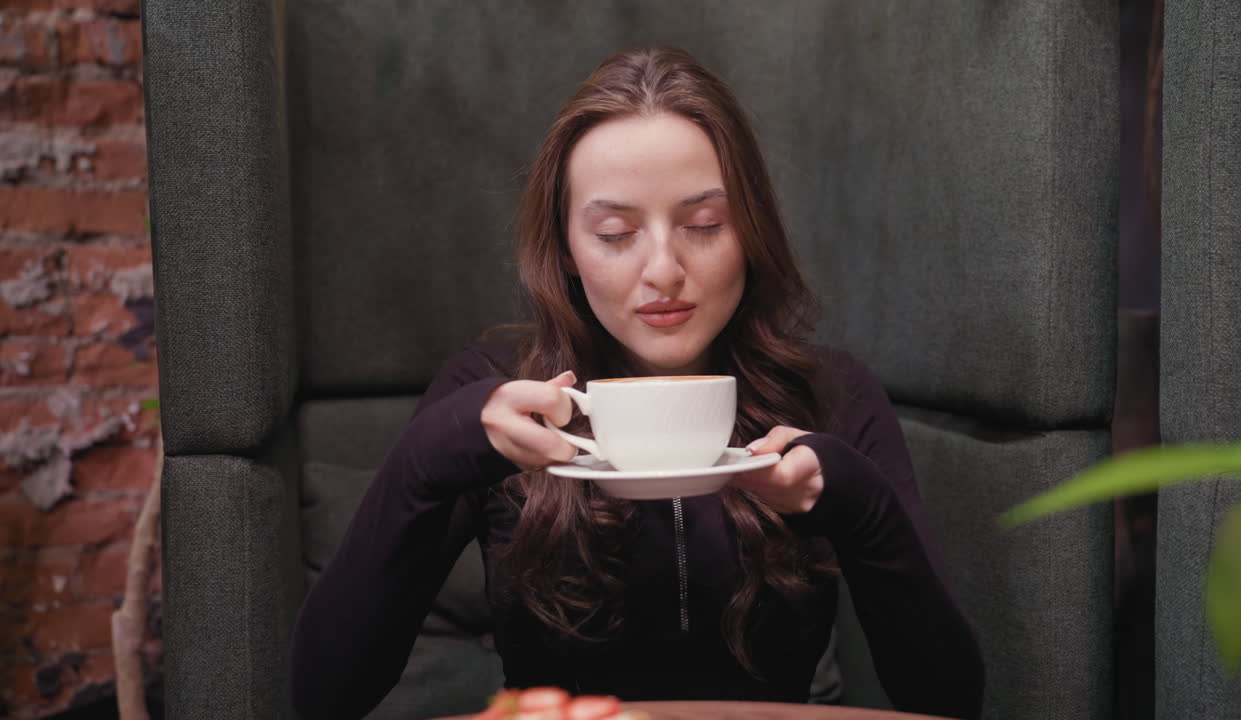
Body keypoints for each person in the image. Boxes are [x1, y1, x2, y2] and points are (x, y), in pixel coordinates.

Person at [290, 46, 984, 720]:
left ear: (750, 230)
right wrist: (427, 458)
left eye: (704, 225)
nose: (663, 271)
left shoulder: (833, 395)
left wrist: (860, 503)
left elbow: (947, 701)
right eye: (616, 233)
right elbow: (325, 694)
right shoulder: (494, 396)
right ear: (567, 248)